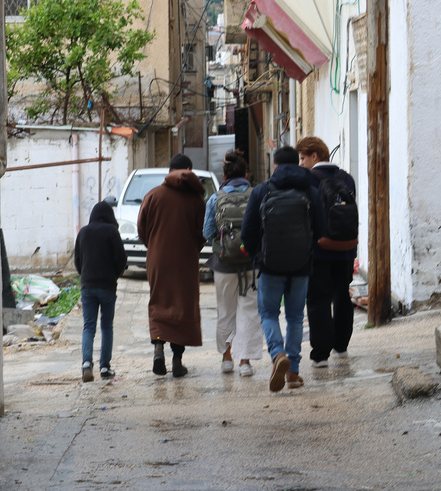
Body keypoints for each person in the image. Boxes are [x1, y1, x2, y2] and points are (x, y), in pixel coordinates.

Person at [241, 146, 326, 392]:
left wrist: (258, 256)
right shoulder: (310, 190)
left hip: (269, 266)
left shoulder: (261, 191)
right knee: (295, 317)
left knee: (268, 313)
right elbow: (321, 231)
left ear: (275, 165)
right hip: (301, 265)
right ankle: (293, 372)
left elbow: (248, 232)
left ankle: (278, 354)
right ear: (298, 165)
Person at [137, 153, 207, 377]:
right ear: (188, 171)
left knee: (159, 302)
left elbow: (142, 229)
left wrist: (156, 245)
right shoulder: (196, 200)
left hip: (158, 259)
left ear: (169, 171)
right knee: (182, 305)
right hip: (186, 260)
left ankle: (158, 349)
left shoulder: (153, 195)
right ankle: (177, 360)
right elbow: (201, 233)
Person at [296, 136, 358, 368]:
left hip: (319, 249)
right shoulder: (347, 178)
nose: (301, 163)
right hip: (346, 249)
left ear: (315, 156)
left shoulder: (308, 180)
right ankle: (341, 345)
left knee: (318, 299)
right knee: (342, 294)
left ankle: (320, 354)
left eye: (303, 158)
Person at [203, 150, 262, 377]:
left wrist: (224, 242)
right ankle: (245, 362)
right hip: (251, 262)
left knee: (225, 311)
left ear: (224, 174)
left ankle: (226, 358)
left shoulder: (215, 198)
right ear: (246, 173)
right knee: (249, 311)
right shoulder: (256, 195)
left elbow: (207, 231)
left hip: (224, 264)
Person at [73, 200, 128, 382]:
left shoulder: (83, 232)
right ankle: (105, 367)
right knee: (106, 326)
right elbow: (122, 258)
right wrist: (115, 275)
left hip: (87, 287)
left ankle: (86, 365)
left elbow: (78, 261)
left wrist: (85, 277)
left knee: (89, 326)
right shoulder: (112, 231)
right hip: (107, 287)